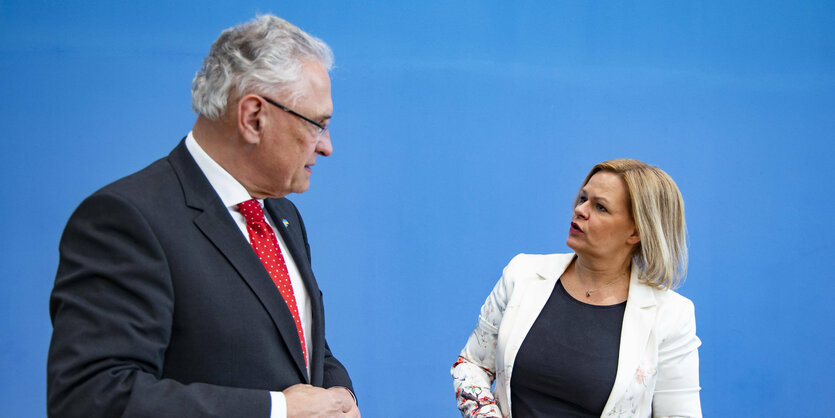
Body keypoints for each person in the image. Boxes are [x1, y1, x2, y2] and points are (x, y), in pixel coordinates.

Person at [47, 15, 359, 418]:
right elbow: (92, 398)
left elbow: (301, 348)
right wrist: (276, 411)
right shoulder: (127, 220)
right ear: (253, 118)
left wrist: (341, 397)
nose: (327, 147)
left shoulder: (282, 215)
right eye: (318, 125)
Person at [451, 159, 702, 417]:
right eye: (583, 198)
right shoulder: (522, 274)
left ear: (636, 232)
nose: (580, 210)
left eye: (600, 207)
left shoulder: (671, 315)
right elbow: (472, 364)